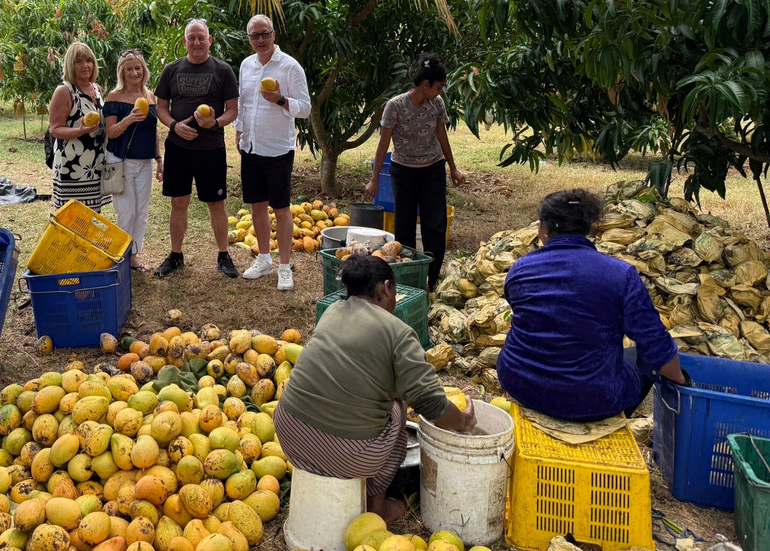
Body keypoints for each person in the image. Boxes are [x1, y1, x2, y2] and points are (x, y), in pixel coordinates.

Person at [275, 254, 476, 523]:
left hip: (289, 433)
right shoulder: (399, 333)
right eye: (394, 291)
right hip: (344, 456)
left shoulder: (333, 310)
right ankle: (377, 508)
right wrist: (463, 421)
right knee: (397, 408)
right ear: (385, 288)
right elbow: (430, 403)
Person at [496, 189, 687, 421]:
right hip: (594, 400)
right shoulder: (621, 275)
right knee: (642, 355)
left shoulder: (521, 268)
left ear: (543, 230)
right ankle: (613, 417)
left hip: (521, 383)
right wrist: (680, 380)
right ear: (590, 228)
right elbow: (657, 346)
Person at [365, 53, 466, 290]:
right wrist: (374, 180)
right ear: (425, 84)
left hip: (432, 170)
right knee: (405, 225)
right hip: (404, 172)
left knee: (435, 225)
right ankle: (408, 276)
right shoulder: (395, 106)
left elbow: (442, 135)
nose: (440, 92)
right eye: (439, 87)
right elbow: (383, 145)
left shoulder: (436, 104)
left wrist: (453, 168)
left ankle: (431, 278)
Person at [153, 18, 240, 278]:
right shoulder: (171, 69)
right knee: (179, 202)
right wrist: (174, 125)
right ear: (185, 42)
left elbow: (232, 110)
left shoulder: (223, 70)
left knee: (216, 203)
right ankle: (176, 255)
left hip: (210, 149)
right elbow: (161, 107)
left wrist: (215, 122)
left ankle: (223, 255)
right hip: (178, 148)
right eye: (192, 37)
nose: (197, 42)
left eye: (202, 37)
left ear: (210, 40)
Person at [234, 14, 311, 291]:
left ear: (274, 34)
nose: (260, 40)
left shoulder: (289, 67)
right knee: (257, 205)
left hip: (277, 148)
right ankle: (265, 259)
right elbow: (243, 103)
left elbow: (305, 108)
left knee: (281, 208)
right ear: (249, 39)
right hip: (251, 147)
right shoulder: (246, 65)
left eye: (264, 33)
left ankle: (284, 266)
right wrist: (239, 130)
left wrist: (280, 99)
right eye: (255, 35)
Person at [103, 49, 163, 272]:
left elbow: (153, 131)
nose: (134, 72)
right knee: (126, 212)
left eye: (138, 68)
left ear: (144, 70)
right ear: (122, 72)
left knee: (141, 212)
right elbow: (111, 132)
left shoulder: (150, 97)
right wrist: (128, 119)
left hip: (145, 162)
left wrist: (158, 158)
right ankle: (121, 255)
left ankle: (134, 254)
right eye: (129, 69)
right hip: (121, 161)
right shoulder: (114, 97)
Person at [46, 41, 110, 212]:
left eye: (89, 60)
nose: (85, 66)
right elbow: (55, 128)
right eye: (78, 61)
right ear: (70, 64)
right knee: (72, 217)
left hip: (94, 166)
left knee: (92, 214)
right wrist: (80, 131)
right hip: (72, 166)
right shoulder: (65, 91)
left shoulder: (96, 88)